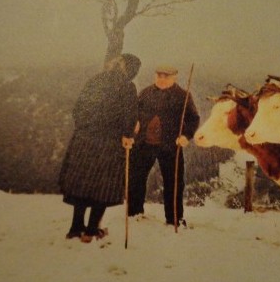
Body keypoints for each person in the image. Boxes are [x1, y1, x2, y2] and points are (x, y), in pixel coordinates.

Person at [58, 53, 141, 243]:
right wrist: (129, 134)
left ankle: (75, 228)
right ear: (131, 70)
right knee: (103, 187)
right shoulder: (127, 87)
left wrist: (85, 129)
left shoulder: (96, 80)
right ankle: (91, 230)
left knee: (82, 184)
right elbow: (129, 117)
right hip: (109, 144)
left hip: (84, 141)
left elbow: (78, 110)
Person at [128, 65, 199, 226]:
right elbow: (135, 112)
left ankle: (174, 218)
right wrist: (135, 123)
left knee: (173, 182)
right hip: (144, 144)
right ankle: (134, 213)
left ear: (174, 77)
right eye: (158, 75)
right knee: (136, 178)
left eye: (165, 76)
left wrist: (186, 136)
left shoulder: (183, 96)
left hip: (170, 145)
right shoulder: (145, 93)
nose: (161, 78)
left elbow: (193, 118)